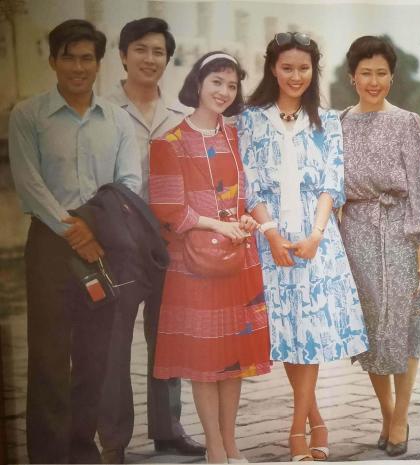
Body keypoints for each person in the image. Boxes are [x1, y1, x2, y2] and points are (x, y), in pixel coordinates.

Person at [7, 19, 141, 463]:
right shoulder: (28, 116)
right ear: (53, 61)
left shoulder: (117, 120)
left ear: (99, 64)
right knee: (48, 356)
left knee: (93, 355)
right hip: (49, 247)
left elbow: (128, 184)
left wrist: (92, 226)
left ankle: (83, 450)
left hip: (103, 247)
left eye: (87, 58)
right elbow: (30, 185)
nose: (78, 67)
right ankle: (48, 456)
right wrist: (74, 229)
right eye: (69, 57)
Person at [237, 32, 368, 462]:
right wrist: (271, 235)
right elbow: (250, 184)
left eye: (304, 68)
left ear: (314, 71)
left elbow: (332, 183)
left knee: (310, 332)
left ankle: (297, 432)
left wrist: (315, 235)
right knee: (288, 333)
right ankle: (317, 422)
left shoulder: (327, 121)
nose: (296, 76)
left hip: (317, 239)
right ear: (272, 69)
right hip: (270, 239)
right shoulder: (251, 120)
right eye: (287, 67)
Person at [148, 51, 271, 464]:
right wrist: (218, 225)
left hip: (237, 258)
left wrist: (248, 220)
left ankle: (232, 443)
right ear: (198, 83)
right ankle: (214, 448)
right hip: (194, 263)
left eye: (232, 85)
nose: (224, 91)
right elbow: (168, 208)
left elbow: (248, 197)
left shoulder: (236, 138)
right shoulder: (169, 142)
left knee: (233, 356)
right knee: (205, 358)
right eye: (216, 81)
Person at [98, 17, 204, 463]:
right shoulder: (103, 112)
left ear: (168, 59)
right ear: (123, 55)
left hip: (168, 244)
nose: (149, 58)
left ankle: (168, 429)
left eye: (158, 51)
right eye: (140, 49)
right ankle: (114, 439)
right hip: (117, 246)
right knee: (114, 342)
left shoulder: (179, 117)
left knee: (167, 337)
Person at [338, 35, 420, 457]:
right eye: (366, 73)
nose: (374, 81)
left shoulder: (407, 122)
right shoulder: (338, 123)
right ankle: (387, 412)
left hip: (401, 230)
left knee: (404, 321)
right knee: (370, 326)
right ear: (353, 77)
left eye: (382, 73)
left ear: (392, 77)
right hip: (356, 230)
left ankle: (401, 417)